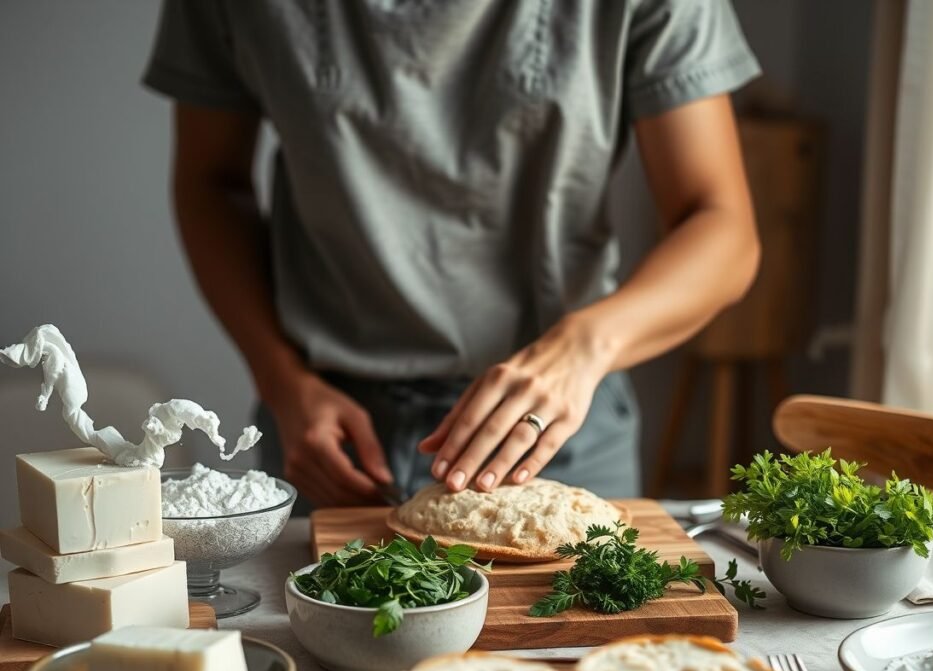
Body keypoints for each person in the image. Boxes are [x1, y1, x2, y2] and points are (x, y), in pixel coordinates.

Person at [144, 1, 761, 507]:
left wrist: (582, 348)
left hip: (558, 425)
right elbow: (211, 181)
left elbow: (722, 225)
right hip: (328, 433)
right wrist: (281, 380)